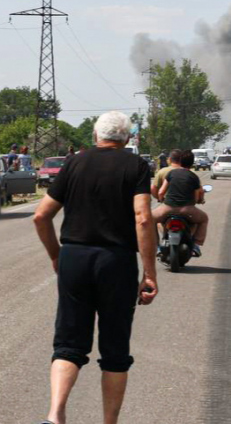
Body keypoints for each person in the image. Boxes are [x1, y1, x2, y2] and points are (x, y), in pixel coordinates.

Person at [33, 111, 158, 424]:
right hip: (115, 262)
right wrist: (150, 273)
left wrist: (55, 254)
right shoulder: (136, 166)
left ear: (95, 135)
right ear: (127, 138)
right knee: (115, 349)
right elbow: (142, 217)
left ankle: (55, 415)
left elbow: (41, 215)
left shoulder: (74, 162)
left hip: (74, 257)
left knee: (68, 344)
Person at [152, 150, 209, 256]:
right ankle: (196, 244)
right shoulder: (193, 176)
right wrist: (198, 201)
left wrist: (161, 199)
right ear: (192, 163)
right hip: (187, 209)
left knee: (151, 219)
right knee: (204, 219)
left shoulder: (171, 173)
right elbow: (196, 197)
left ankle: (157, 247)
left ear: (180, 161)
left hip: (168, 207)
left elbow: (160, 192)